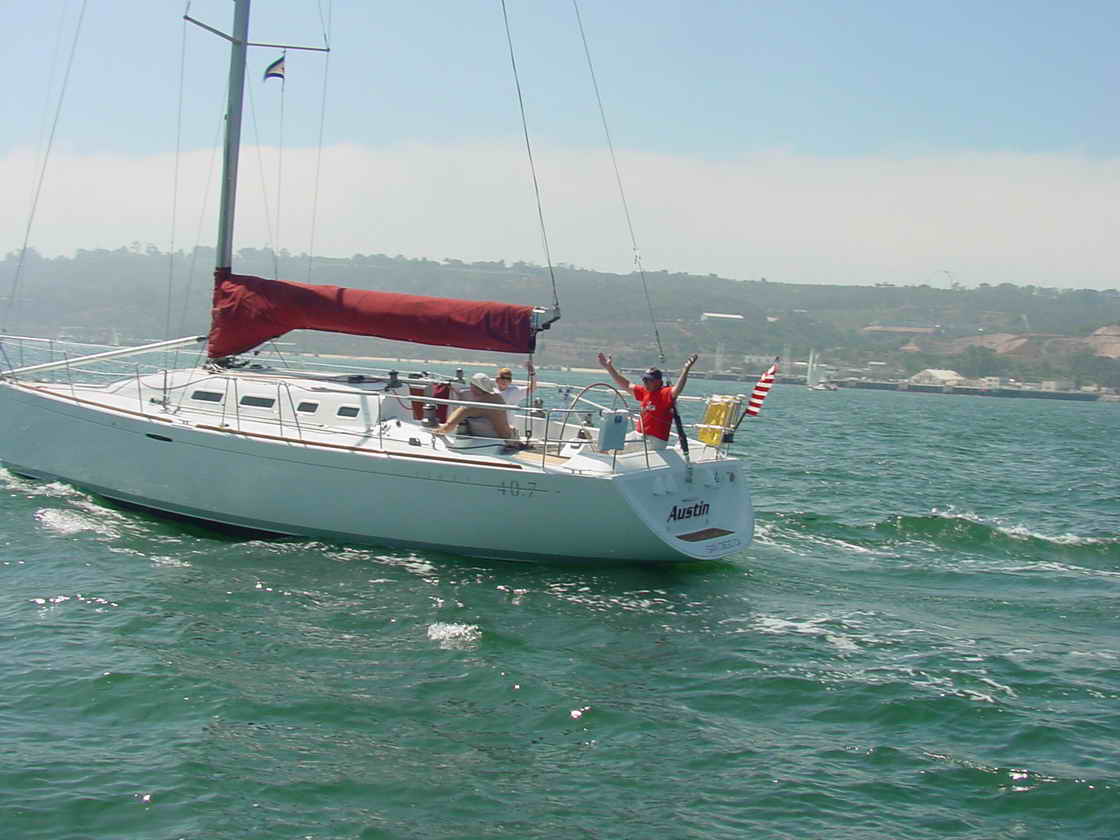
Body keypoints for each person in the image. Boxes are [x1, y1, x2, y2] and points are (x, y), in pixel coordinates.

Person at [596, 351, 699, 449]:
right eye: (644, 379)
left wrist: (686, 370)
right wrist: (609, 368)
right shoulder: (645, 391)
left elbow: (678, 389)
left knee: (618, 448)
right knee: (610, 443)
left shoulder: (665, 393)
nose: (645, 382)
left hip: (655, 439)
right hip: (639, 435)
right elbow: (626, 384)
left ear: (658, 382)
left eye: (648, 380)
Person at [434, 372, 515, 441]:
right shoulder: (497, 397)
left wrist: (437, 431)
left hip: (493, 442)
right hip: (508, 437)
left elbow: (449, 425)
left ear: (473, 387)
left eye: (471, 384)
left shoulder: (476, 406)